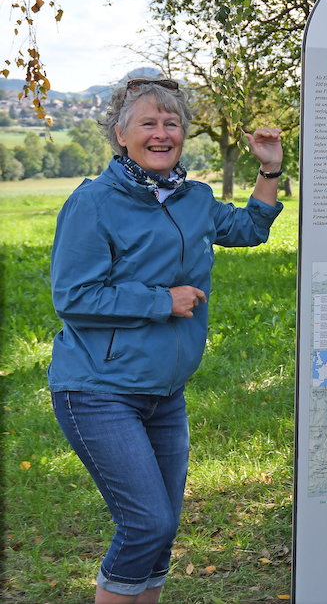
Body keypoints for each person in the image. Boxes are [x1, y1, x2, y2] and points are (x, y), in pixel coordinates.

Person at [48, 77, 284, 604]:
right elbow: (74, 296)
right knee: (147, 524)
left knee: (162, 531)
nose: (162, 133)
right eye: (148, 124)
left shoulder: (193, 198)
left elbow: (249, 228)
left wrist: (269, 169)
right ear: (121, 134)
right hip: (98, 390)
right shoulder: (93, 203)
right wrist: (162, 301)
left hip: (164, 395)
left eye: (171, 123)